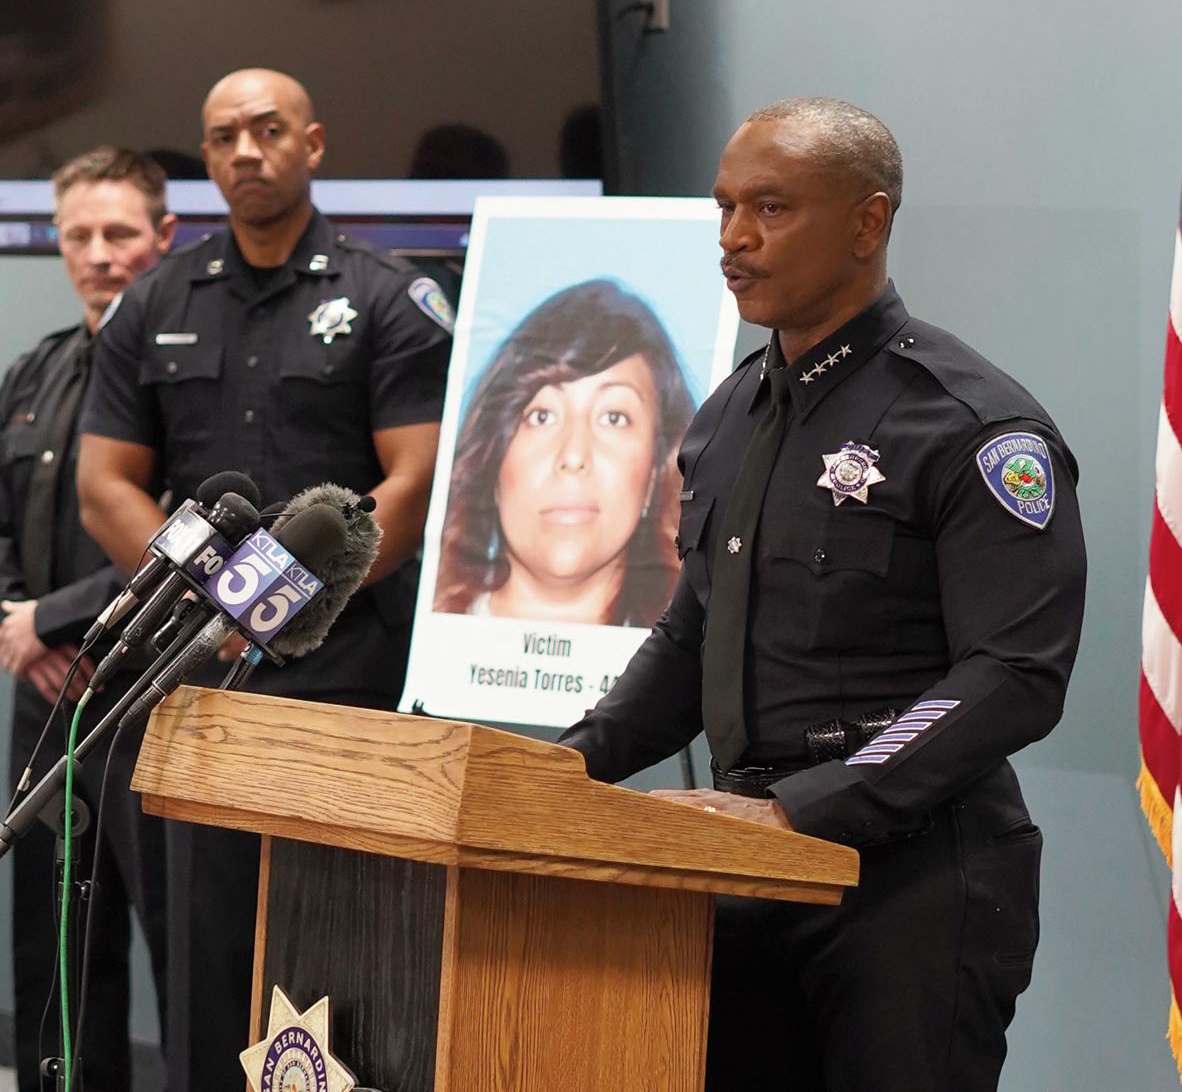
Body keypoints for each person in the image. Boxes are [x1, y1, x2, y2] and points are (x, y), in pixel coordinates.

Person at [560, 98, 1087, 1092]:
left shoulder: (971, 423)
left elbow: (1015, 673)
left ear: (866, 223)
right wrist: (559, 768)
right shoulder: (728, 414)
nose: (734, 238)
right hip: (746, 867)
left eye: (770, 208)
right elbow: (696, 634)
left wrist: (807, 810)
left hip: (910, 881)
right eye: (724, 208)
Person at [76, 68, 453, 1092]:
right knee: (203, 963)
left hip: (342, 676)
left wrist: (271, 602)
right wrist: (216, 601)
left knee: (340, 959)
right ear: (205, 156)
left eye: (268, 129)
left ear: (313, 143)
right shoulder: (158, 298)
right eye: (224, 135)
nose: (246, 150)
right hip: (192, 682)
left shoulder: (388, 295)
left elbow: (413, 482)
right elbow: (105, 484)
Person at [0, 146, 175, 1092]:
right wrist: (17, 626)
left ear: (163, 236)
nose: (99, 254)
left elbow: (186, 532)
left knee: (180, 951)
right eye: (79, 235)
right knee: (55, 955)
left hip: (153, 694)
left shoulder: (178, 377)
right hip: (47, 701)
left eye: (118, 233)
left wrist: (54, 620)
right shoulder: (35, 371)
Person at [434, 278, 694, 626]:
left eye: (613, 418)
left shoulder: (702, 650)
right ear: (493, 463)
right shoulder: (425, 640)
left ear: (655, 474)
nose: (573, 457)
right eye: (542, 416)